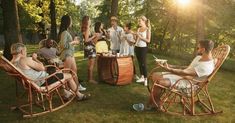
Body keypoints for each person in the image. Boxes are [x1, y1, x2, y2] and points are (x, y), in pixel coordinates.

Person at [133, 40, 215, 111]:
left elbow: (185, 73)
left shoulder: (206, 67)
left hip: (189, 83)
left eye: (198, 48)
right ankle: (156, 100)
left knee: (159, 82)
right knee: (154, 75)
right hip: (183, 76)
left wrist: (168, 69)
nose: (197, 50)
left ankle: (150, 105)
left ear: (203, 49)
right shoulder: (199, 58)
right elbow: (187, 68)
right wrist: (171, 66)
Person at [10, 43, 90, 101]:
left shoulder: (11, 63)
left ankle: (65, 94)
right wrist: (35, 59)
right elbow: (42, 68)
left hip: (32, 83)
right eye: (25, 51)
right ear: (21, 51)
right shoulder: (24, 60)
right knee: (68, 75)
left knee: (57, 73)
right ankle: (79, 95)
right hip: (42, 82)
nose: (26, 53)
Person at [58, 15, 86, 91]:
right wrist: (73, 42)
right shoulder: (64, 32)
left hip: (71, 54)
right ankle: (66, 90)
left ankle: (77, 87)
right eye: (71, 20)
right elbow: (63, 45)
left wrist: (73, 41)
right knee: (66, 73)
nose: (72, 22)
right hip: (67, 55)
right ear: (67, 22)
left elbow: (67, 43)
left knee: (74, 72)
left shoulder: (67, 32)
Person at [80, 16, 98, 84]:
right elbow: (86, 40)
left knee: (90, 64)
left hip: (88, 47)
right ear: (87, 21)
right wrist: (94, 36)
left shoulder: (85, 28)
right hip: (90, 48)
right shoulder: (87, 28)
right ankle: (90, 79)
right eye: (90, 20)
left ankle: (89, 78)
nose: (90, 21)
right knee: (91, 64)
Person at [135, 16, 151, 86]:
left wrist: (141, 37)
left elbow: (148, 40)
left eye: (140, 21)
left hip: (143, 48)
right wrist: (135, 36)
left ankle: (145, 79)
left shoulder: (147, 29)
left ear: (144, 21)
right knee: (139, 63)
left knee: (143, 63)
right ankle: (141, 76)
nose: (139, 22)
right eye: (138, 21)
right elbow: (136, 39)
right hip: (137, 47)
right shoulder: (138, 29)